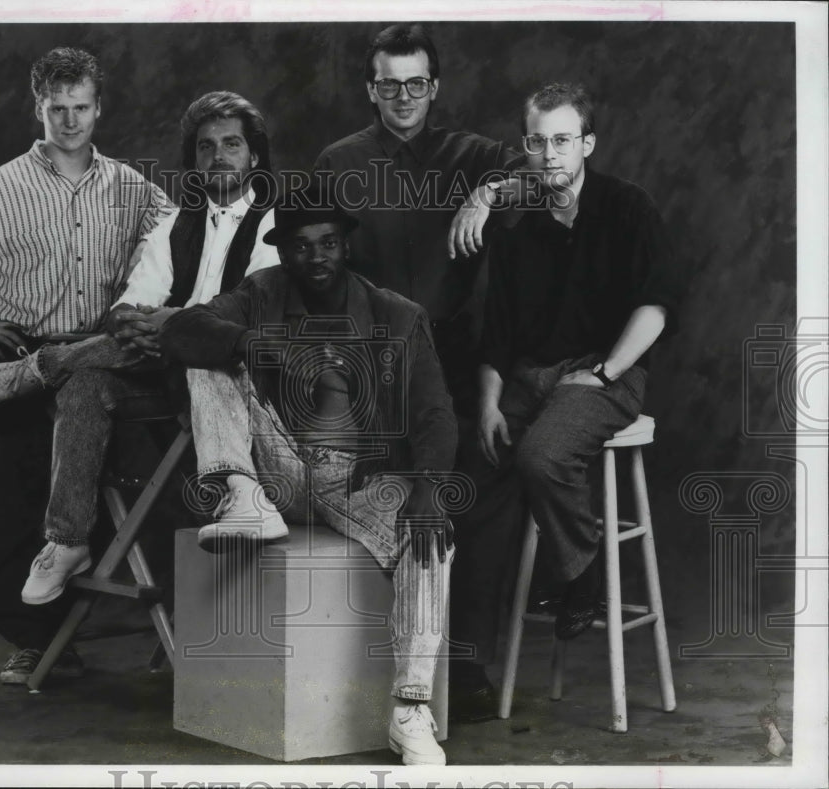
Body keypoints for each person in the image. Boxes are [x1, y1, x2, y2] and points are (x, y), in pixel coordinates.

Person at [155, 186, 457, 766]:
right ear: (283, 254)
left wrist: (428, 487)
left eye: (327, 243)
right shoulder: (262, 293)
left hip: (357, 480)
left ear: (345, 246)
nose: (315, 256)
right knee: (206, 356)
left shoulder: (396, 314)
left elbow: (435, 411)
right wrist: (252, 341)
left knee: (431, 541)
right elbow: (180, 331)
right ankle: (240, 494)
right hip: (275, 468)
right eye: (300, 246)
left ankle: (409, 710)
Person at [0, 47, 173, 685]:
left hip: (101, 356)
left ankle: (172, 636)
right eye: (57, 108)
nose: (70, 120)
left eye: (81, 106)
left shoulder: (134, 188)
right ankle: (35, 643)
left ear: (98, 106)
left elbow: (179, 239)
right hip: (13, 350)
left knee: (146, 488)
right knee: (13, 498)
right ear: (39, 107)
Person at [0, 92, 280, 608]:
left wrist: (173, 323)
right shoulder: (176, 224)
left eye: (232, 145)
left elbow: (247, 311)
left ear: (254, 157)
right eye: (206, 147)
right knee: (87, 384)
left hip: (228, 377)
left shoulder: (275, 220)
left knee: (194, 331)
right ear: (194, 159)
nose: (218, 156)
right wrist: (142, 323)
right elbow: (130, 304)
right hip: (156, 369)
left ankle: (36, 369)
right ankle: (67, 541)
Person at [454, 82, 683, 718]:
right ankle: (468, 665)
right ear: (525, 146)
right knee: (472, 478)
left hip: (609, 371)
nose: (550, 154)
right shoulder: (516, 228)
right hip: (530, 377)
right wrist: (489, 403)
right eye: (537, 141)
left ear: (586, 143)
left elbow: (657, 303)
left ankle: (580, 575)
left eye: (562, 140)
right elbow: (496, 336)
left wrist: (607, 373)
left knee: (543, 454)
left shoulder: (626, 207)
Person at [313, 22, 520, 420]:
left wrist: (488, 192)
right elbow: (312, 263)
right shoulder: (336, 163)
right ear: (372, 90)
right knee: (366, 477)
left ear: (434, 87)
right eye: (390, 85)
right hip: (364, 356)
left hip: (453, 357)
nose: (404, 97)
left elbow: (550, 181)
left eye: (417, 84)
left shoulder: (474, 156)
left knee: (453, 476)